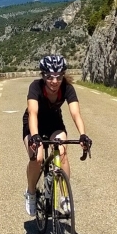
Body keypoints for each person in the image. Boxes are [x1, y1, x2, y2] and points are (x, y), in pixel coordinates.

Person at [22, 54, 92, 216]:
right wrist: (35, 136)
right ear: (43, 76)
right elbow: (32, 113)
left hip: (54, 123)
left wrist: (83, 135)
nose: (54, 81)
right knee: (37, 158)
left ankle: (65, 196)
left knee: (62, 153)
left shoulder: (67, 88)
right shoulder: (35, 87)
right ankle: (31, 193)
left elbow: (75, 113)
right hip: (34, 124)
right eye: (50, 77)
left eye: (58, 77)